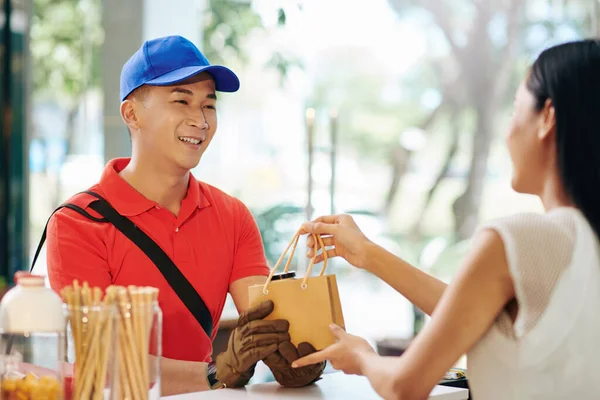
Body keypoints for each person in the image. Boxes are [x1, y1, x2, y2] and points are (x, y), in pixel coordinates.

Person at [293, 39, 600, 400]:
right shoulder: (581, 243)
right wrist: (367, 253)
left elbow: (403, 385)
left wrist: (361, 356)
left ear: (547, 117)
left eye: (516, 109)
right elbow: (470, 310)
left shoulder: (520, 238)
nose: (507, 131)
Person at [40, 35, 324, 395]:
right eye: (181, 101)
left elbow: (268, 318)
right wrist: (211, 373)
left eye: (209, 105)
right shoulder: (77, 224)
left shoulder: (232, 216)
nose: (200, 120)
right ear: (132, 114)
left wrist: (297, 357)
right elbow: (104, 357)